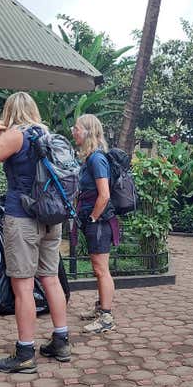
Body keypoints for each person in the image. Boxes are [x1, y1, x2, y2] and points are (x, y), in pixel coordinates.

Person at [0, 91, 70, 373]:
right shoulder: (47, 133)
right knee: (50, 279)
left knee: (23, 286)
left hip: (23, 217)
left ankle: (25, 353)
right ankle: (61, 341)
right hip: (52, 216)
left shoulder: (16, 135)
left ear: (9, 111)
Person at [73, 114, 117, 333]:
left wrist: (92, 218)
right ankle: (101, 308)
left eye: (77, 128)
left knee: (101, 270)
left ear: (88, 131)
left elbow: (105, 194)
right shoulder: (91, 157)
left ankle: (106, 317)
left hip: (99, 222)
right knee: (99, 269)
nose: (74, 132)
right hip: (96, 221)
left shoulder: (96, 159)